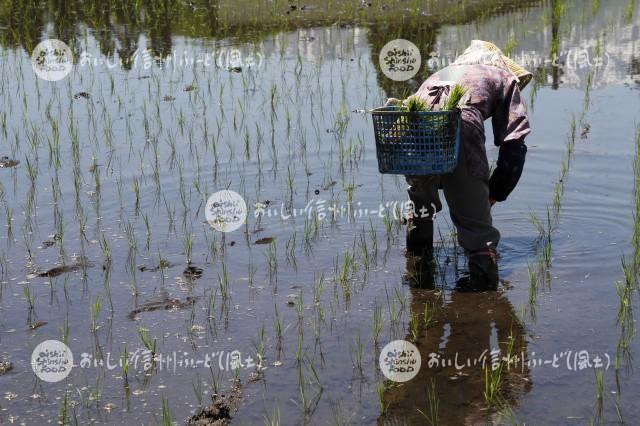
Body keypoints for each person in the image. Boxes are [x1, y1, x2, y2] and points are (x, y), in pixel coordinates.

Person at [392, 40, 532, 291]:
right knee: (477, 229)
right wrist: (494, 193)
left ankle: (418, 278)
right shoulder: (503, 77)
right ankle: (483, 299)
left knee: (420, 207)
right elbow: (514, 146)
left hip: (414, 125)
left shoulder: (439, 74)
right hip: (461, 123)